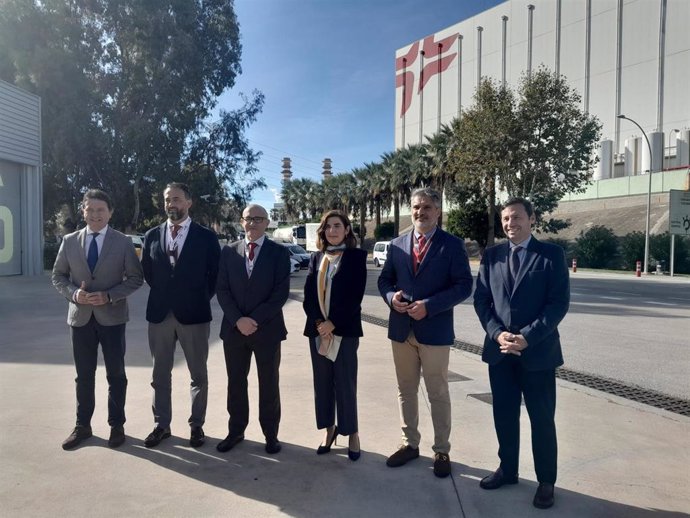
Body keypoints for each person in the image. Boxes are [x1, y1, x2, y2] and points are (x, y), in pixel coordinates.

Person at [473, 197, 570, 510]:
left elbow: (558, 304)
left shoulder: (551, 255)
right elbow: (482, 301)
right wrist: (497, 333)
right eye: (505, 218)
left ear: (531, 219)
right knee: (504, 414)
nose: (510, 224)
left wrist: (527, 338)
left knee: (542, 419)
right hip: (500, 351)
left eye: (516, 217)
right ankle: (508, 469)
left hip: (537, 353)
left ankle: (546, 481)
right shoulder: (491, 256)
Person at [377, 187, 473, 478]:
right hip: (401, 330)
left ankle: (441, 449)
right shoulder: (397, 244)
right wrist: (391, 298)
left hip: (435, 330)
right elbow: (385, 281)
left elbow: (463, 285)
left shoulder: (452, 245)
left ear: (438, 211)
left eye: (427, 207)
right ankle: (410, 444)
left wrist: (430, 306)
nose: (420, 212)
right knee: (405, 389)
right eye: (416, 207)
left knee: (438, 391)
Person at [52, 189, 144, 450]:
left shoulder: (123, 242)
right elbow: (58, 276)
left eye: (100, 210)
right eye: (90, 209)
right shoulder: (69, 241)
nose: (95, 214)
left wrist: (110, 296)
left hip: (112, 318)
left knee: (116, 374)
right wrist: (74, 293)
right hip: (80, 318)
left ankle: (117, 425)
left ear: (110, 212)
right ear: (83, 211)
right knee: (84, 375)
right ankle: (83, 426)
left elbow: (136, 278)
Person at [141, 182, 221, 449]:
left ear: (189, 202)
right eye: (167, 200)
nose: (171, 204)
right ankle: (161, 425)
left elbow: (215, 276)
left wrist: (196, 297)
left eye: (176, 199)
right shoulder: (151, 235)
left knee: (198, 375)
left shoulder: (207, 237)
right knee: (159, 374)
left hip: (195, 315)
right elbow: (149, 274)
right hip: (160, 314)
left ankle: (196, 426)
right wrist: (169, 295)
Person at [215, 204, 291, 455]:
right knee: (235, 383)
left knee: (268, 383)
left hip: (267, 330)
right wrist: (238, 320)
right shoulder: (228, 252)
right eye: (249, 219)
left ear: (267, 222)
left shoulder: (279, 253)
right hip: (234, 331)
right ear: (241, 221)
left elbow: (280, 293)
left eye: (259, 219)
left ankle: (271, 434)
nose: (253, 223)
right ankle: (236, 430)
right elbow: (222, 290)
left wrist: (253, 320)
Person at [302, 210, 367, 461]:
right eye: (328, 226)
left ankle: (352, 433)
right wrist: (320, 323)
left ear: (347, 229)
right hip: (317, 331)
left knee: (346, 383)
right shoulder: (315, 257)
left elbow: (355, 297)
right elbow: (308, 294)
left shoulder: (356, 258)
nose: (332, 230)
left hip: (345, 332)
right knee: (322, 383)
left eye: (337, 225)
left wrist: (333, 323)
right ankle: (329, 430)